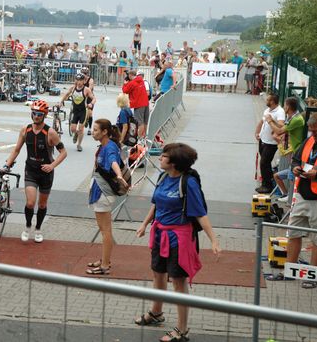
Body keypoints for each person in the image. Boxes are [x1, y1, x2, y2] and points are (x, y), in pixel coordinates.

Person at [134, 143, 221, 342]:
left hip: (179, 239)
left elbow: (200, 213)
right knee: (158, 274)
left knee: (178, 282)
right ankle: (156, 313)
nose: (160, 158)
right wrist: (145, 224)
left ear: (174, 163)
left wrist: (213, 240)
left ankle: (182, 330)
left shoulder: (188, 182)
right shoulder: (163, 177)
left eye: (164, 156)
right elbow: (156, 203)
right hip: (159, 233)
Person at [266, 113, 317, 289]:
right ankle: (288, 272)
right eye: (311, 131)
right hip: (303, 195)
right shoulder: (310, 141)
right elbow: (296, 159)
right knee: (293, 233)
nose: (313, 135)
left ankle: (312, 275)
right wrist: (295, 168)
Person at [5, 100, 67, 243]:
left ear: (44, 115)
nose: (36, 116)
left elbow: (63, 152)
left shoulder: (50, 132)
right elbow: (16, 150)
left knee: (42, 205)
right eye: (34, 113)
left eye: (39, 114)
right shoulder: (25, 130)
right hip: (31, 170)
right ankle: (27, 227)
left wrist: (52, 166)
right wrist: (7, 165)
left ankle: (38, 228)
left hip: (46, 173)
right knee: (30, 203)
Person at [86, 119, 128, 275]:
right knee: (105, 229)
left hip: (103, 193)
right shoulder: (106, 145)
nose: (93, 132)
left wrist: (119, 175)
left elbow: (113, 162)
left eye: (96, 130)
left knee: (105, 231)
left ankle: (104, 265)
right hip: (101, 191)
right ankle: (105, 259)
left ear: (105, 132)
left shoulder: (109, 147)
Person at [267, 97, 304, 201]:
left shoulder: (296, 119)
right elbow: (283, 127)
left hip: (297, 152)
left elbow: (279, 131)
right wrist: (273, 121)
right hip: (294, 152)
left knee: (292, 176)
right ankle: (287, 195)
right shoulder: (293, 117)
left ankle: (290, 198)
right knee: (281, 175)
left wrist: (270, 122)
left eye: (285, 105)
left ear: (288, 106)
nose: (283, 107)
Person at [255, 94, 285, 193]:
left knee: (264, 163)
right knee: (265, 163)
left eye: (268, 99)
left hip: (271, 143)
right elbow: (261, 122)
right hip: (263, 140)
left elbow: (281, 125)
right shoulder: (267, 110)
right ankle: (266, 181)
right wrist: (257, 132)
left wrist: (271, 120)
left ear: (272, 101)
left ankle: (267, 185)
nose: (266, 101)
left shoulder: (280, 112)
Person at [59, 73, 96, 152]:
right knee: (72, 129)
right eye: (77, 80)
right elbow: (66, 95)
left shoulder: (86, 89)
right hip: (75, 111)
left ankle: (79, 144)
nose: (79, 82)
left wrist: (91, 104)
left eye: (80, 80)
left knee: (81, 128)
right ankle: (76, 133)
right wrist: (61, 102)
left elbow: (94, 98)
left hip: (83, 111)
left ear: (83, 81)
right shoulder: (73, 88)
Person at [122, 68, 150, 140]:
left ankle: (139, 139)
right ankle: (144, 137)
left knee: (139, 122)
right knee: (145, 121)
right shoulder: (141, 80)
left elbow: (125, 91)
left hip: (138, 104)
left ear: (131, 75)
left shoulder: (132, 83)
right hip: (146, 103)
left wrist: (125, 84)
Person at [81, 67, 96, 136]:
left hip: (89, 96)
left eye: (84, 74)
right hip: (82, 96)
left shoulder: (91, 80)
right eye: (82, 73)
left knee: (90, 113)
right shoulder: (81, 79)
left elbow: (89, 89)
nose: (83, 75)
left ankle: (90, 128)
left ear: (87, 74)